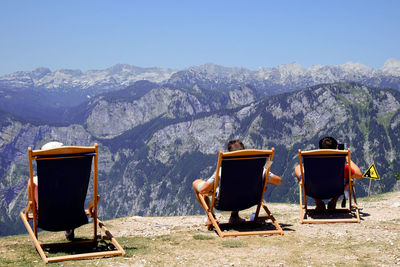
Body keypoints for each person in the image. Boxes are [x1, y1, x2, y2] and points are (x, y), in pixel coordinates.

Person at [192, 139, 282, 225]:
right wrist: (266, 168)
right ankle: (234, 216)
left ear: (230, 154)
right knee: (240, 186)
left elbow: (203, 190)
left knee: (196, 182)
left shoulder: (222, 170)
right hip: (248, 200)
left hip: (224, 203)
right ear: (244, 151)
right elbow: (278, 181)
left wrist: (210, 192)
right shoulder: (259, 169)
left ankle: (210, 217)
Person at [294, 136, 362, 211]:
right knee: (349, 177)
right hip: (335, 191)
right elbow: (359, 175)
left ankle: (318, 202)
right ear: (336, 149)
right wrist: (346, 157)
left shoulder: (312, 166)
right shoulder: (342, 167)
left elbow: (297, 169)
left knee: (298, 168)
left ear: (319, 149)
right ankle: (333, 202)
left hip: (314, 191)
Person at [27, 141, 75, 241]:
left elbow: (32, 203)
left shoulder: (35, 182)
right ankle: (68, 228)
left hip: (46, 219)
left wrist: (32, 208)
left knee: (30, 183)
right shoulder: (73, 178)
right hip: (71, 215)